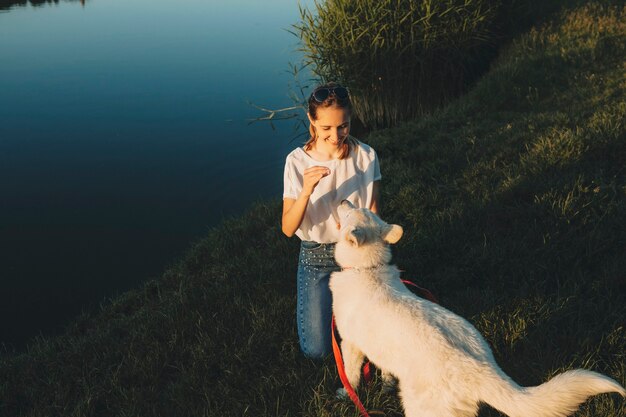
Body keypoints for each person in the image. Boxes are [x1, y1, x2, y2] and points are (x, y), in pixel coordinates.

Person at [282, 82, 381, 359]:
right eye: (326, 128)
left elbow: (374, 212)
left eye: (343, 126)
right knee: (317, 351)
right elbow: (288, 228)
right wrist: (305, 192)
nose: (336, 135)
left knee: (375, 338)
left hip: (357, 253)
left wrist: (365, 232)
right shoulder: (296, 162)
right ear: (312, 121)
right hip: (316, 256)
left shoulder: (366, 156)